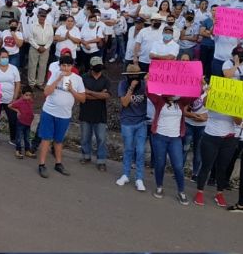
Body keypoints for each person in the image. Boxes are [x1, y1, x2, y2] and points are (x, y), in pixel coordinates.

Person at [37, 55, 85, 178]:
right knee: (46, 138)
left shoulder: (78, 79)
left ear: (72, 66)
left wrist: (72, 90)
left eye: (68, 65)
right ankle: (42, 165)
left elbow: (83, 99)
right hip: (49, 111)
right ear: (60, 65)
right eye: (63, 65)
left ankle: (58, 163)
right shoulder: (55, 74)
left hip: (64, 115)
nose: (66, 68)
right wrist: (57, 79)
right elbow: (46, 92)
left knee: (59, 140)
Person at [148, 91, 191, 205]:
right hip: (159, 137)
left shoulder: (181, 102)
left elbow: (194, 95)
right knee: (160, 164)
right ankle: (159, 187)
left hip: (175, 139)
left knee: (178, 166)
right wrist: (147, 80)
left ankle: (181, 192)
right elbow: (148, 91)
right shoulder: (159, 100)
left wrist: (201, 85)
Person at [115, 64, 148, 192]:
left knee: (140, 151)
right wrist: (131, 87)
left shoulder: (144, 85)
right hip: (127, 122)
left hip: (141, 122)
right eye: (132, 76)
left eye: (137, 76)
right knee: (129, 149)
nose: (135, 78)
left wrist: (150, 82)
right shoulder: (123, 84)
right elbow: (124, 103)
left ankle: (139, 178)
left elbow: (156, 94)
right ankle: (125, 175)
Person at [79, 56, 110, 171]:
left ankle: (101, 160)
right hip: (85, 112)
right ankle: (86, 156)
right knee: (85, 137)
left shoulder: (106, 79)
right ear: (91, 67)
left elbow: (106, 96)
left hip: (100, 114)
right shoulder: (83, 78)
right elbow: (82, 96)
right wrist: (99, 95)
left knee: (101, 138)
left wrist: (90, 92)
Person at [0, 49, 21, 146]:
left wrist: (15, 97)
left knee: (13, 119)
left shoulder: (14, 68)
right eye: (3, 57)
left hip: (10, 99)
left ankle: (13, 138)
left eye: (6, 57)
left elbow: (17, 83)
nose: (5, 59)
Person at [9, 87, 35, 158]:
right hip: (21, 122)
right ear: (22, 95)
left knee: (27, 137)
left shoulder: (30, 100)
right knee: (19, 137)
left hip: (28, 122)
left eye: (30, 95)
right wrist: (17, 111)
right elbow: (10, 106)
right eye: (26, 95)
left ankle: (27, 151)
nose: (28, 97)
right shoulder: (19, 101)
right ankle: (18, 151)